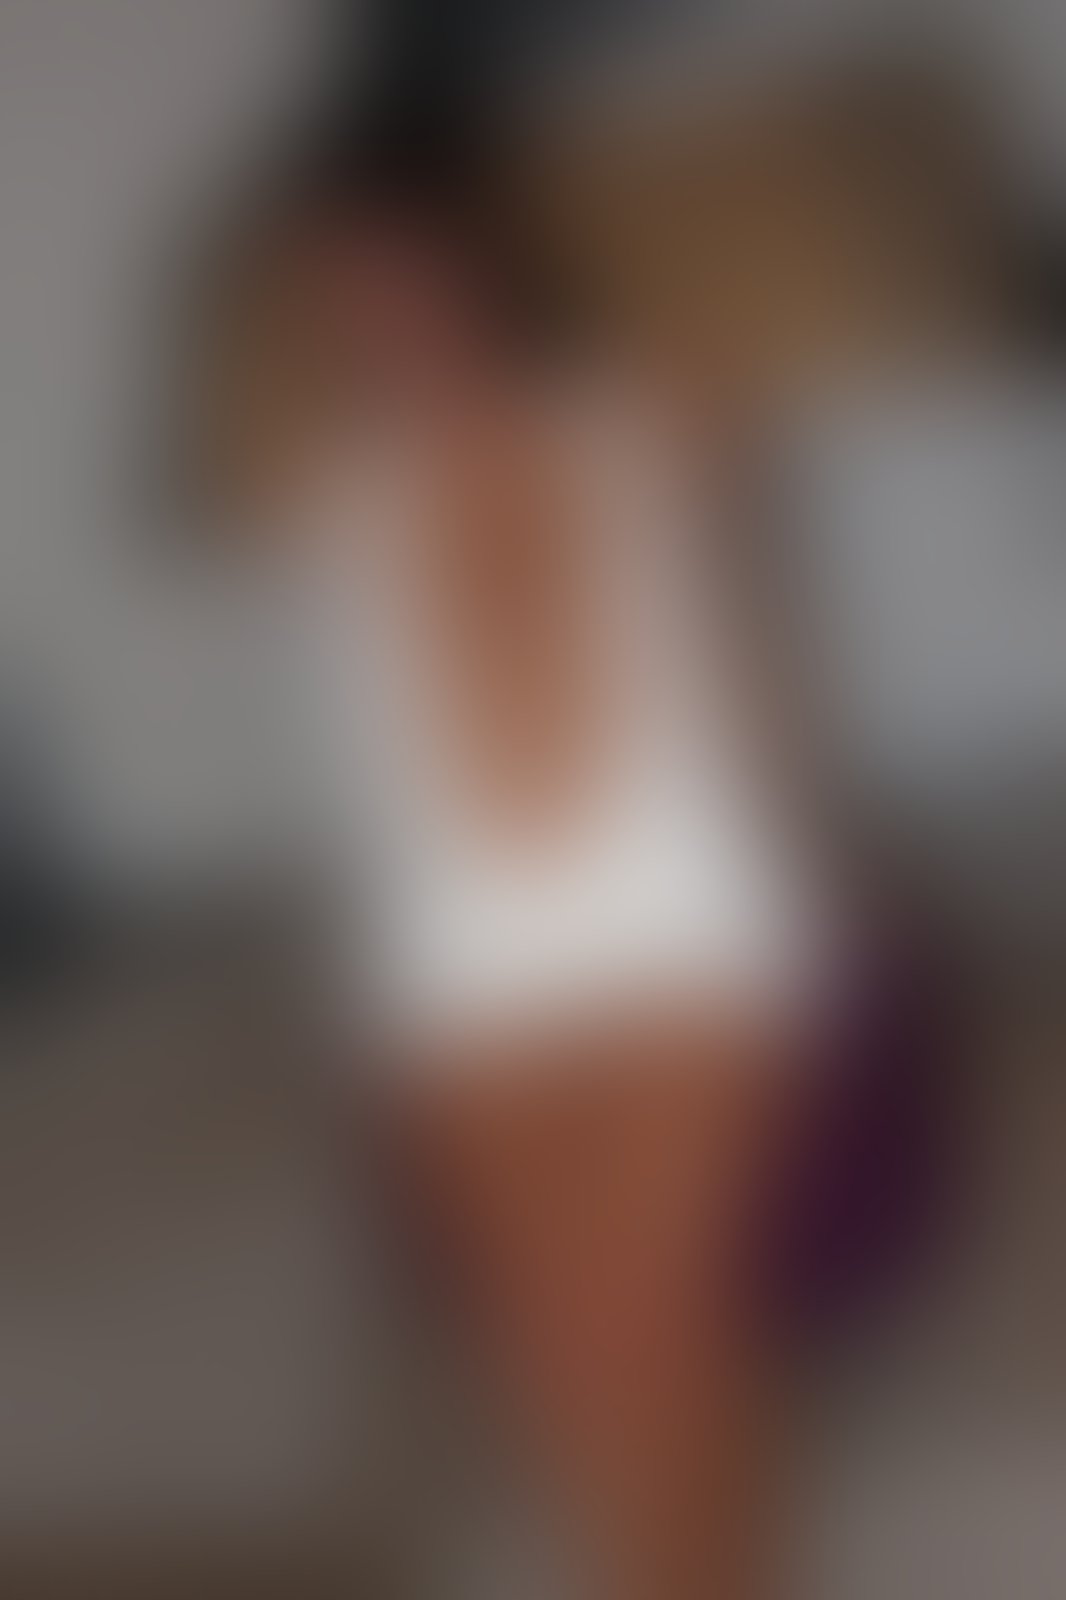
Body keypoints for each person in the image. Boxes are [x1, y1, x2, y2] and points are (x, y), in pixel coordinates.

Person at [197, 117, 841, 1598]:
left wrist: (804, 892)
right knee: (563, 1365)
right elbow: (377, 785)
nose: (378, 318)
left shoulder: (651, 414)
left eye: (397, 273)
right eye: (335, 298)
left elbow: (763, 661)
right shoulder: (334, 501)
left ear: (476, 259)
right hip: (459, 995)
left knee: (650, 1322)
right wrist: (380, 1031)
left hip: (682, 952)